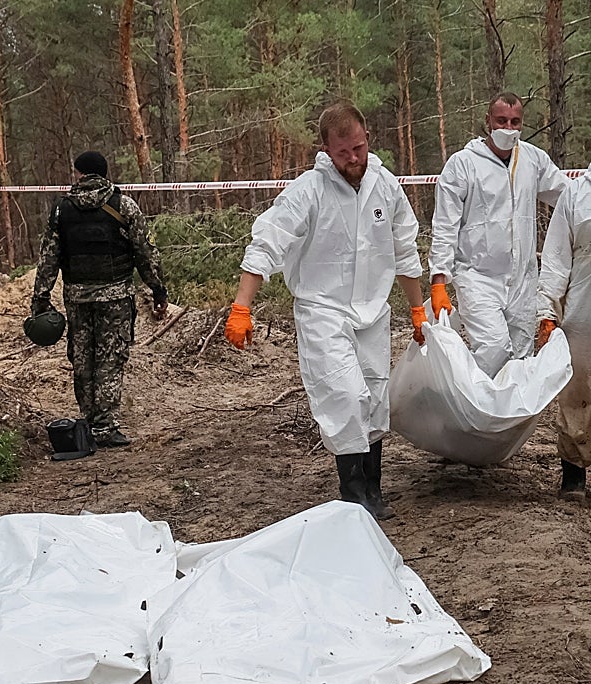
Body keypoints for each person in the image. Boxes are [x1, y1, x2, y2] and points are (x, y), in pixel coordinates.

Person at [225, 102, 426, 520]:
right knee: (344, 394)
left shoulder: (385, 187)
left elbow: (405, 250)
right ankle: (352, 493)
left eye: (358, 148)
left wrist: (417, 309)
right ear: (325, 149)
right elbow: (267, 243)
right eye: (343, 153)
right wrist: (241, 306)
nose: (353, 159)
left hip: (372, 310)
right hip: (323, 310)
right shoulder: (308, 192)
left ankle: (373, 489)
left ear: (367, 137)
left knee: (373, 397)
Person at [31, 150, 168, 448]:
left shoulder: (61, 210)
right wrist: (158, 289)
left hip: (78, 298)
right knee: (110, 358)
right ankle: (104, 427)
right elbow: (146, 253)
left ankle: (89, 421)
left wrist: (40, 298)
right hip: (116, 297)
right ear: (104, 174)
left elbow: (48, 258)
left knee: (82, 358)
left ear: (80, 173)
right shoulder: (124, 206)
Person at [429, 93, 568, 377]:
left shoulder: (532, 160)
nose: (508, 128)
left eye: (515, 122)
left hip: (522, 280)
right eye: (501, 120)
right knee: (493, 349)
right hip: (478, 276)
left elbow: (567, 195)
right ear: (487, 121)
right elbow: (445, 225)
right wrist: (439, 279)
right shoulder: (463, 165)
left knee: (520, 358)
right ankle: (482, 414)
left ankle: (515, 422)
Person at [537, 161, 591, 499]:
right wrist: (548, 311)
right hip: (581, 311)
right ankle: (573, 475)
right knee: (576, 392)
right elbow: (556, 258)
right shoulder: (576, 194)